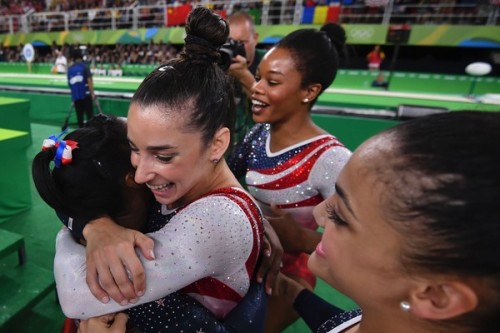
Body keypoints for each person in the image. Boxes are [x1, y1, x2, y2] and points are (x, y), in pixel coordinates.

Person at [50, 7, 282, 332]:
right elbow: (73, 171)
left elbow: (78, 296)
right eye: (134, 148)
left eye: (163, 156)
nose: (141, 175)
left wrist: (72, 235)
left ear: (217, 145)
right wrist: (94, 226)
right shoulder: (185, 180)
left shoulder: (218, 221)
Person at [31, 114, 270, 333]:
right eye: (138, 153)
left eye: (159, 155)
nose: (147, 170)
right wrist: (90, 228)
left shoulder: (92, 202)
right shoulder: (138, 261)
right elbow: (73, 297)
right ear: (131, 179)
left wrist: (82, 228)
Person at [275, 111, 500, 333]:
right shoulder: (380, 316)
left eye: (340, 217)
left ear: (436, 296)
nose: (319, 212)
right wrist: (296, 295)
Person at [227, 27, 352, 332]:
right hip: (245, 261)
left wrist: (304, 239)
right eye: (258, 78)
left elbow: (374, 246)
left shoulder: (330, 158)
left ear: (309, 91)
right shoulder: (260, 134)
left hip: (287, 277)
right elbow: (223, 176)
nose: (256, 88)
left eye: (272, 82)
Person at [226, 11, 267, 154]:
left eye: (242, 42)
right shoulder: (219, 62)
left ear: (255, 38)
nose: (235, 48)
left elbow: (277, 108)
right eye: (229, 42)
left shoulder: (270, 63)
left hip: (262, 146)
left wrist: (244, 76)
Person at [67, 47, 96, 128]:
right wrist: (92, 93)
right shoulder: (85, 67)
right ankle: (91, 132)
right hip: (86, 95)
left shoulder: (70, 69)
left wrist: (73, 95)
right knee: (90, 116)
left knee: (80, 117)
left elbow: (69, 84)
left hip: (76, 96)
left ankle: (81, 133)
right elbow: (89, 80)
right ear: (81, 57)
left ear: (73, 58)